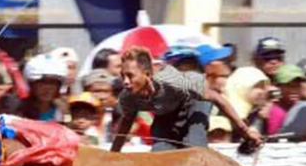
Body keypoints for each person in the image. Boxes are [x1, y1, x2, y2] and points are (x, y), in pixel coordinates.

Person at [111, 47, 261, 153]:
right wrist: (112, 156)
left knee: (194, 148)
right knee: (160, 155)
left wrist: (245, 131)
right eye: (122, 75)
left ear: (147, 74)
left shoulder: (171, 81)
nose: (125, 82)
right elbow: (125, 125)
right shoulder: (128, 96)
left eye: (130, 76)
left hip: (194, 103)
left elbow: (217, 98)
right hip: (166, 112)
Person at [19, 54, 68, 122]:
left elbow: (68, 128)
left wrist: (66, 113)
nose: (47, 87)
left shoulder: (62, 110)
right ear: (31, 84)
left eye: (52, 82)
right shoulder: (18, 110)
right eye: (41, 82)